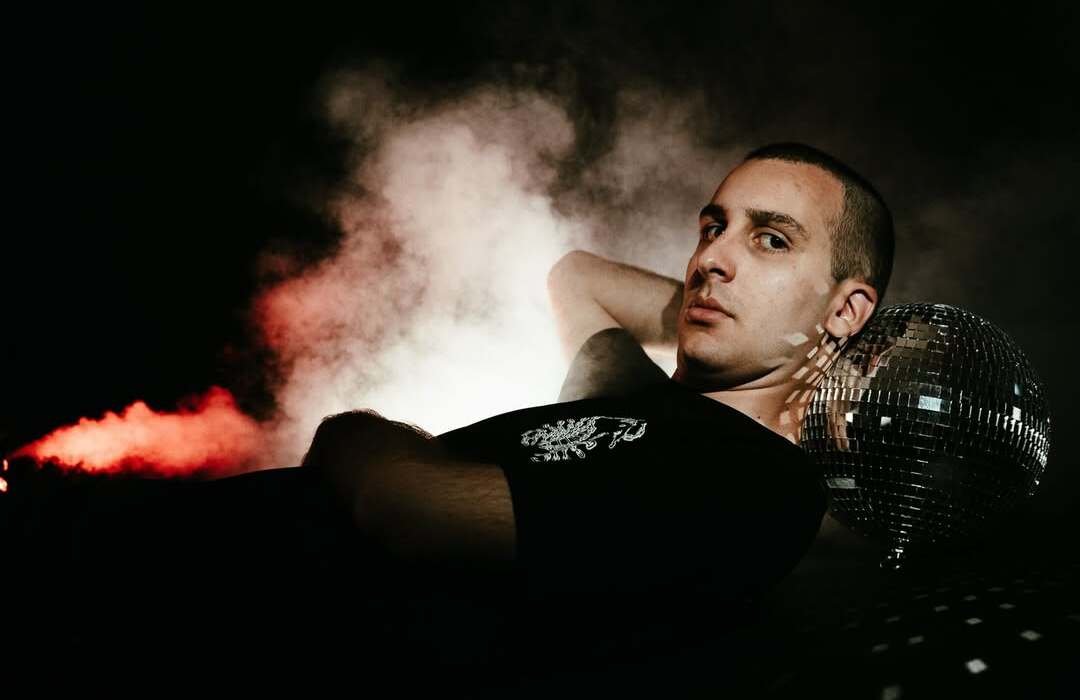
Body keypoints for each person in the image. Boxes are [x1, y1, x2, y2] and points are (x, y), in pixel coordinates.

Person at [300, 141, 895, 665]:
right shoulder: (632, 391)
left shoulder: (760, 479)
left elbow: (404, 510)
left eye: (771, 240)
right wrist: (749, 323)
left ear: (846, 310)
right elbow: (578, 276)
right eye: (714, 229)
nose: (709, 260)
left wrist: (349, 431)